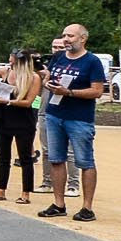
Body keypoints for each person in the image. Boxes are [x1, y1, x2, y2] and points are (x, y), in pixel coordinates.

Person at [38, 22, 106, 223]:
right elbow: (48, 78)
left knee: (85, 161)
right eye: (64, 35)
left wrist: (69, 92)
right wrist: (48, 84)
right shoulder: (59, 57)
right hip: (54, 115)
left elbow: (97, 91)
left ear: (83, 38)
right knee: (56, 159)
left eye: (70, 36)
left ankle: (87, 208)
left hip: (79, 118)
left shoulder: (92, 61)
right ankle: (58, 204)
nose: (66, 39)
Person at [0, 49, 41, 204]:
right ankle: (0, 190)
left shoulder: (33, 77)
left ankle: (26, 193)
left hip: (24, 122)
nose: (9, 60)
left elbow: (28, 102)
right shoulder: (6, 71)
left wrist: (7, 101)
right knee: (3, 157)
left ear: (19, 60)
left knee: (25, 158)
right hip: (3, 120)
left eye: (12, 58)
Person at [44, 34, 78, 197]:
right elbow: (39, 91)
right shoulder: (52, 64)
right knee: (48, 151)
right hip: (47, 111)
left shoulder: (73, 64)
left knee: (70, 152)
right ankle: (47, 182)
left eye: (60, 47)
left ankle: (73, 184)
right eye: (54, 47)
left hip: (70, 113)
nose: (57, 50)